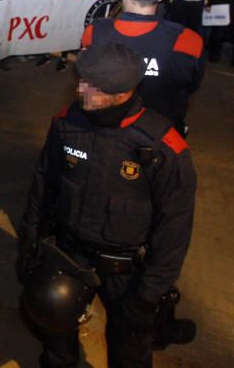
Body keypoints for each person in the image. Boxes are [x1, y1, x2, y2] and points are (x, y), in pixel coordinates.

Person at [17, 43, 197, 368]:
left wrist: (149, 292)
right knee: (55, 336)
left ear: (123, 92)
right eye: (82, 79)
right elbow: (43, 186)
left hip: (127, 273)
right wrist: (29, 242)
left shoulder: (162, 147)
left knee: (130, 350)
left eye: (93, 85)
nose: (80, 88)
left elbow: (175, 227)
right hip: (68, 256)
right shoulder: (66, 124)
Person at [81, 0, 203, 135]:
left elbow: (85, 76)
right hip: (159, 135)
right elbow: (191, 84)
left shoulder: (94, 33)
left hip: (103, 131)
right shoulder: (187, 40)